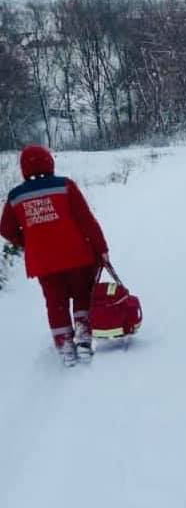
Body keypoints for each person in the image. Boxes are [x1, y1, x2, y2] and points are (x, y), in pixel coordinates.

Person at [0, 145, 109, 366]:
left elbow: (5, 229)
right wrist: (102, 248)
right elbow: (86, 221)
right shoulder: (65, 186)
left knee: (55, 303)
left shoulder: (15, 197)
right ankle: (84, 337)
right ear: (49, 162)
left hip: (44, 263)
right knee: (81, 295)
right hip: (77, 255)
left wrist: (27, 242)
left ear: (23, 169)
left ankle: (65, 345)